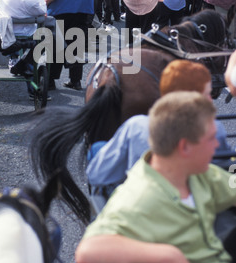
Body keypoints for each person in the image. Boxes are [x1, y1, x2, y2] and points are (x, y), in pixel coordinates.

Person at [76, 90, 236, 263]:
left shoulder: (199, 175)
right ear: (184, 147)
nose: (216, 146)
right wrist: (169, 257)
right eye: (210, 139)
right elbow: (88, 252)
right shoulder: (140, 197)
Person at [86, 60, 235, 198]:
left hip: (142, 197)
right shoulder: (217, 129)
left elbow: (96, 175)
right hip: (199, 195)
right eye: (208, 94)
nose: (211, 100)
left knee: (97, 149)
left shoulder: (136, 126)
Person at [0, 0, 47, 97]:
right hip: (22, 33)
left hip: (2, 27)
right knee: (48, 34)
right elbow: (44, 13)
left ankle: (23, 64)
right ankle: (24, 65)